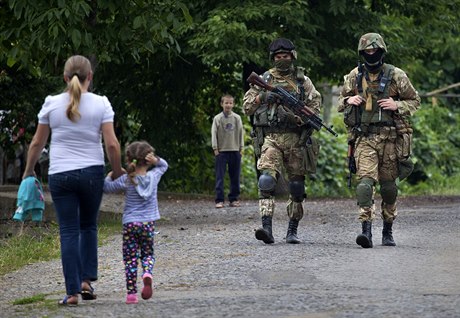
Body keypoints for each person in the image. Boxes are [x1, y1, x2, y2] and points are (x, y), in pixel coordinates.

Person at [22, 55, 123, 305]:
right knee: (88, 226)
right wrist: (118, 171)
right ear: (90, 77)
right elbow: (112, 143)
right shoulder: (102, 104)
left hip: (61, 175)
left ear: (65, 78)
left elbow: (37, 142)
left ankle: (71, 293)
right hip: (91, 173)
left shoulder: (51, 103)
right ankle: (86, 281)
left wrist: (28, 170)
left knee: (68, 231)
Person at [337, 33, 420, 248]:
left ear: (382, 51)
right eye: (367, 52)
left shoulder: (396, 75)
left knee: (389, 187)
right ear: (362, 53)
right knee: (365, 184)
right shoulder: (354, 76)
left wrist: (397, 105)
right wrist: (348, 99)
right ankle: (366, 231)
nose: (371, 54)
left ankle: (387, 230)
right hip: (365, 138)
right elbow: (339, 102)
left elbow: (415, 100)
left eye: (374, 51)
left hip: (391, 139)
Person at [242, 38, 322, 244]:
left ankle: (292, 230)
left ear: (292, 56)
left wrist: (299, 117)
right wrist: (263, 98)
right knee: (266, 179)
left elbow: (315, 108)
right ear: (273, 58)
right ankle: (266, 228)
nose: (282, 60)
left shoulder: (303, 81)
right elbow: (247, 107)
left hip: (296, 139)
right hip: (272, 137)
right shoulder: (264, 78)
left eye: (285, 56)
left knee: (296, 187)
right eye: (278, 57)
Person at [103, 141, 168, 304]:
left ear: (129, 159)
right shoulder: (154, 176)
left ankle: (131, 294)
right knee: (148, 253)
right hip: (148, 223)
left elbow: (106, 187)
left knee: (130, 259)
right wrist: (156, 160)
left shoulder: (127, 179)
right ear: (148, 159)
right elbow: (164, 166)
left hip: (130, 224)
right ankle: (147, 272)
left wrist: (111, 174)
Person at [211, 94, 244, 208]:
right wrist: (215, 148)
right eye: (226, 103)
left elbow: (241, 133)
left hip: (235, 150)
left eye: (230, 103)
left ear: (233, 104)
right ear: (222, 104)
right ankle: (219, 200)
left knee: (235, 176)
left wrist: (241, 148)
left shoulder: (237, 118)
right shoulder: (217, 118)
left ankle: (233, 199)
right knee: (220, 176)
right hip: (221, 151)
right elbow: (214, 134)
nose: (228, 105)